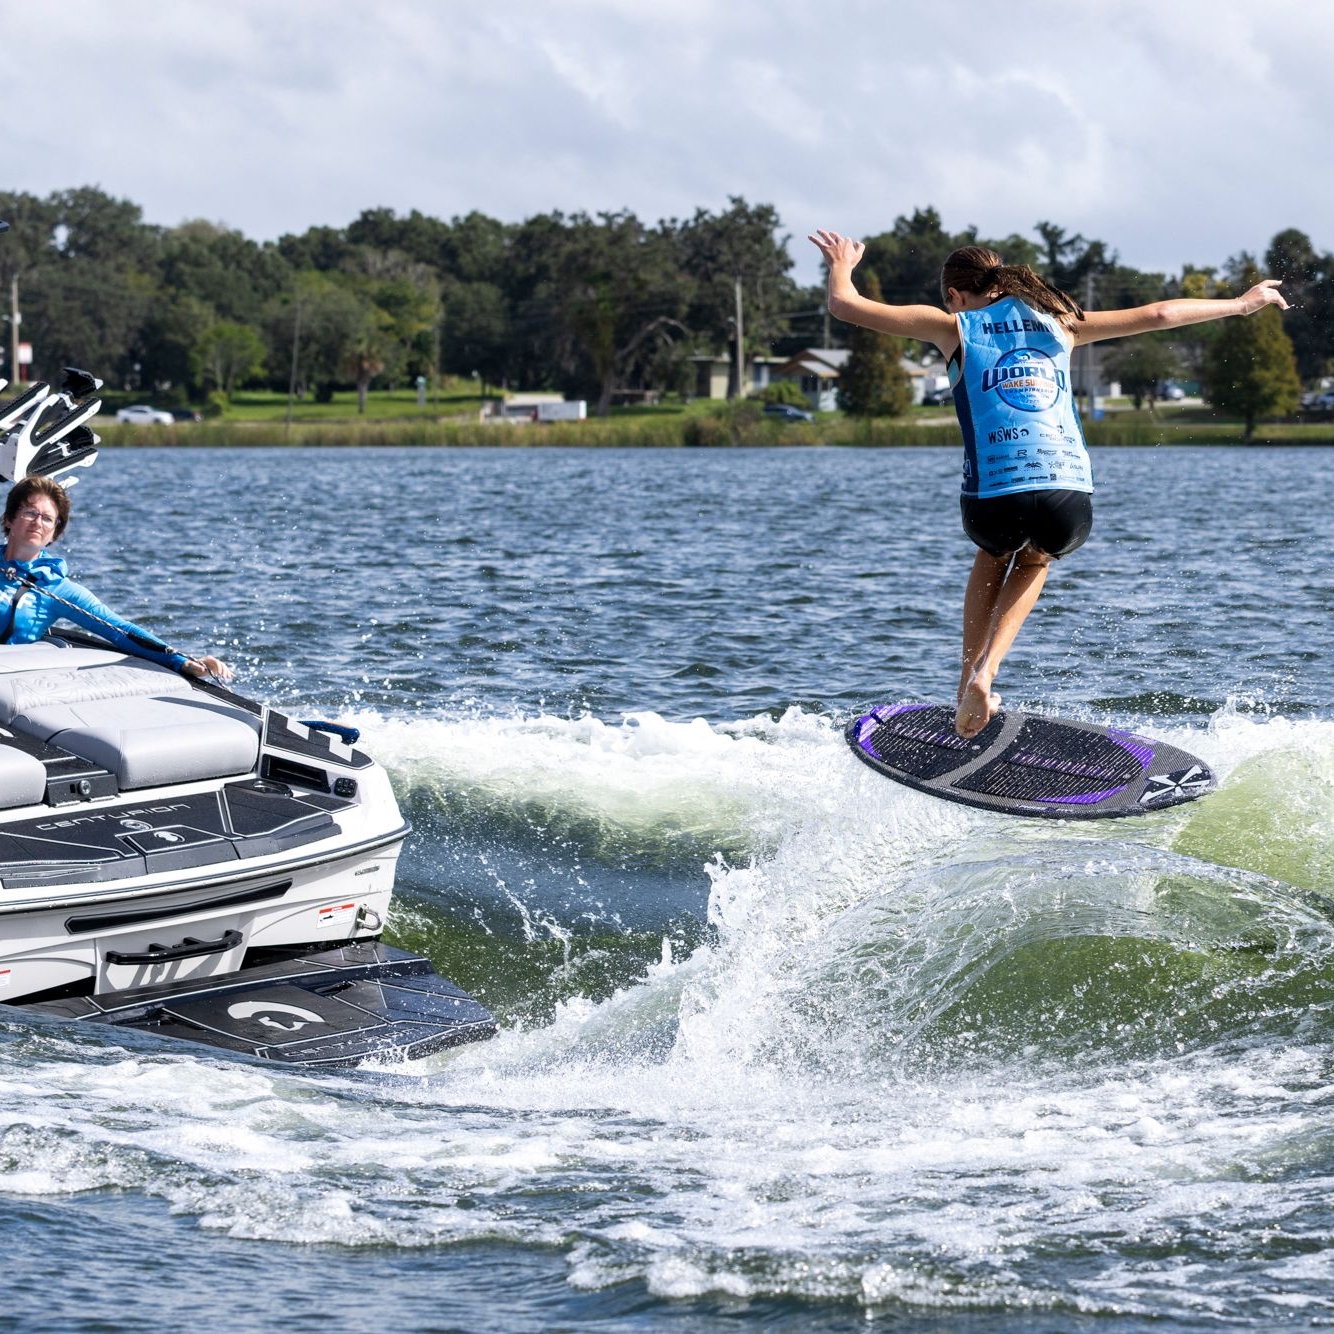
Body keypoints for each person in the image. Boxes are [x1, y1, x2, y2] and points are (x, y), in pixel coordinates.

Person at [808, 229, 1289, 738]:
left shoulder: (952, 326)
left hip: (994, 495)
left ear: (955, 294)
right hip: (1066, 492)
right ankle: (987, 671)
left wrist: (842, 263)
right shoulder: (1061, 322)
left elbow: (845, 304)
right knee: (1037, 555)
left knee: (993, 554)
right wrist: (1241, 304)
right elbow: (1160, 315)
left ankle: (966, 682)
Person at [0, 475, 232, 680]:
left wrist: (182, 661)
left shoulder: (58, 590)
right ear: (10, 519)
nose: (38, 522)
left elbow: (119, 630)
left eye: (47, 518)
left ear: (53, 534)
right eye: (30, 513)